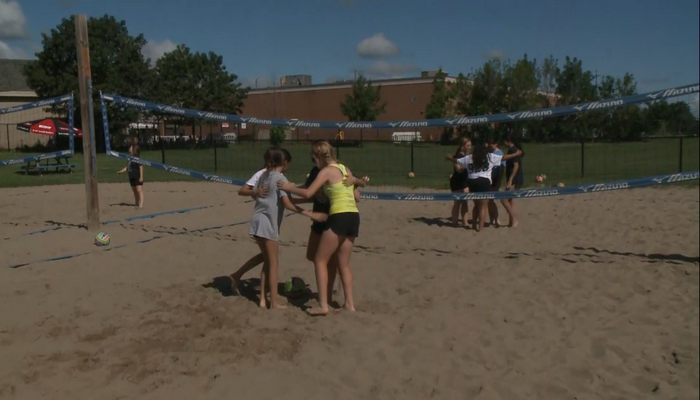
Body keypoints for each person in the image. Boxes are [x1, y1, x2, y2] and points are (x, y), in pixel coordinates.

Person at [279, 141, 367, 316]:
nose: (313, 161)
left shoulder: (326, 171)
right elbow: (357, 194)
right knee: (344, 264)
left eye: (313, 157)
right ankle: (349, 304)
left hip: (338, 216)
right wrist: (357, 180)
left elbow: (308, 193)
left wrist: (289, 187)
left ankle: (324, 305)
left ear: (319, 156)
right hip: (353, 216)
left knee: (320, 260)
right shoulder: (344, 168)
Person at [238, 147, 324, 309]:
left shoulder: (263, 174)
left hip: (257, 221)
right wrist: (311, 214)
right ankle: (274, 302)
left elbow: (280, 199)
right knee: (274, 263)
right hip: (268, 224)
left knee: (267, 262)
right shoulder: (280, 178)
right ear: (284, 163)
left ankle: (263, 300)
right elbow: (288, 204)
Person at [445, 141, 521, 232]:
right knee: (483, 207)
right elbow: (504, 158)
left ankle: (473, 225)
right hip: (484, 182)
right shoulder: (489, 157)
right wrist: (516, 154)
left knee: (476, 205)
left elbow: (457, 161)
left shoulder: (470, 157)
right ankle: (480, 229)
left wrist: (449, 158)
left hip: (472, 182)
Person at [500, 134, 525, 228]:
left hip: (515, 179)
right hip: (517, 178)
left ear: (508, 141)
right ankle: (511, 222)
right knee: (511, 200)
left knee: (503, 199)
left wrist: (510, 180)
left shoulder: (513, 150)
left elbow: (516, 166)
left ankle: (514, 220)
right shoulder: (514, 150)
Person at [449, 137, 472, 226]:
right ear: (462, 146)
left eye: (470, 145)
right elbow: (458, 169)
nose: (470, 147)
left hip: (464, 181)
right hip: (457, 181)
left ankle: (465, 222)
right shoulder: (458, 156)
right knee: (457, 202)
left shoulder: (468, 157)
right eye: (468, 145)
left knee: (465, 202)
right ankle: (454, 222)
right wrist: (466, 166)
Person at [116, 137, 144, 208]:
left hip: (137, 176)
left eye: (130, 148)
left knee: (139, 190)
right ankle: (136, 202)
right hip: (131, 176)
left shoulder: (137, 158)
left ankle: (141, 204)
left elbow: (140, 167)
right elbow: (127, 167)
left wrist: (141, 177)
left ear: (134, 149)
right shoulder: (129, 158)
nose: (129, 149)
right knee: (134, 190)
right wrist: (120, 171)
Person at [486, 136, 506, 227]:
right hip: (489, 178)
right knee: (488, 201)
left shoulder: (499, 153)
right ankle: (491, 219)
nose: (490, 146)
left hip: (495, 179)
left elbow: (501, 169)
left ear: (495, 144)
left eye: (491, 144)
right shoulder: (489, 152)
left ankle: (496, 219)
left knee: (490, 200)